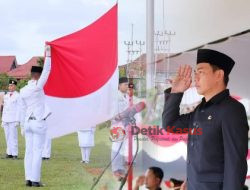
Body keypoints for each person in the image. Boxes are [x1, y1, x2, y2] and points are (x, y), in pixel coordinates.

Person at [162, 49, 249, 190]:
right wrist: (176, 92)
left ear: (219, 75)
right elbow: (170, 125)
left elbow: (235, 163)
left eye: (201, 72)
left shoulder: (231, 109)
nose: (195, 77)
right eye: (195, 72)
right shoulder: (200, 110)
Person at [19, 45, 52, 187]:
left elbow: (21, 109)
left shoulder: (23, 90)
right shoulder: (38, 87)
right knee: (37, 152)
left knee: (28, 152)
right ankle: (35, 180)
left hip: (27, 123)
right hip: (38, 122)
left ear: (31, 75)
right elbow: (47, 70)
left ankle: (28, 178)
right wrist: (48, 55)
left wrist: (21, 126)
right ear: (38, 76)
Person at [111, 77, 141, 180]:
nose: (126, 86)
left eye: (127, 84)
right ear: (119, 85)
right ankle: (116, 170)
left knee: (124, 148)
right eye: (124, 84)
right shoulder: (114, 97)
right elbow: (112, 113)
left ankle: (121, 170)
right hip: (117, 125)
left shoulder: (129, 97)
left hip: (127, 126)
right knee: (116, 147)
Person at [1, 79, 20, 159]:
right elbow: (4, 109)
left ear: (15, 86)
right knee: (7, 137)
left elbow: (19, 109)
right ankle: (9, 153)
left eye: (12, 85)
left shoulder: (18, 96)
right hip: (6, 119)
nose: (10, 87)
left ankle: (15, 154)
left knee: (13, 137)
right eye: (9, 85)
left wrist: (17, 120)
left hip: (13, 119)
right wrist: (2, 120)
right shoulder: (6, 96)